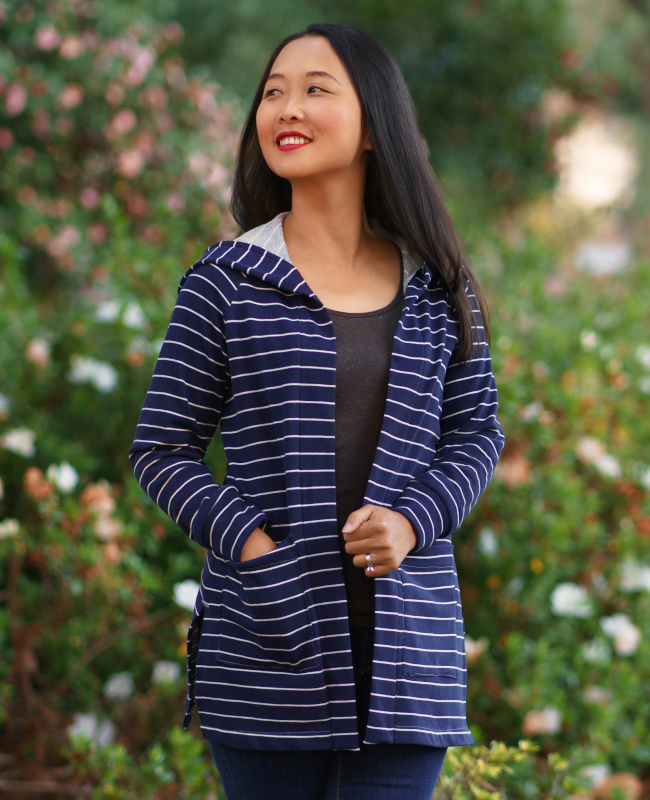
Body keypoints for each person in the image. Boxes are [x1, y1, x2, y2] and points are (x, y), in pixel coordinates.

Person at [128, 21, 505, 800]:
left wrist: (410, 521)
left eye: (314, 90)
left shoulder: (439, 284)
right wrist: (255, 547)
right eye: (273, 92)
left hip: (411, 659)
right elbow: (160, 450)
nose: (286, 108)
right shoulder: (225, 281)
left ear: (375, 125)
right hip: (266, 648)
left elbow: (475, 434)